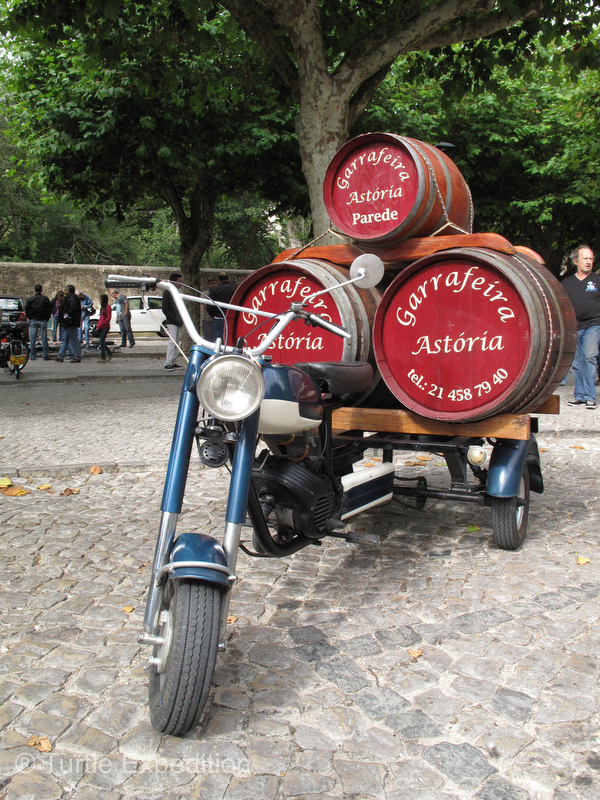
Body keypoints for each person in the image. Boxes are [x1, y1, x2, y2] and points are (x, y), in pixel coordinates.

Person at [562, 245, 600, 408]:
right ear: (576, 261)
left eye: (591, 258)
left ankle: (590, 396)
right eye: (585, 258)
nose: (589, 262)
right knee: (577, 363)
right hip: (574, 326)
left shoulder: (598, 280)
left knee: (589, 356)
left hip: (593, 324)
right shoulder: (567, 283)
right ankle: (580, 396)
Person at [161, 272, 184, 370]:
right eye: (179, 281)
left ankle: (173, 361)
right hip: (172, 321)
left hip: (178, 320)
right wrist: (173, 318)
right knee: (173, 341)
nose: (181, 283)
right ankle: (168, 362)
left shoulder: (176, 292)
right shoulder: (167, 292)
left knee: (177, 341)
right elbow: (165, 308)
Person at [55, 285, 82, 362]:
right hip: (68, 322)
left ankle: (77, 356)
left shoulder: (72, 298)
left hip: (71, 322)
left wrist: (68, 314)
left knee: (73, 339)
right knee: (65, 339)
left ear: (68, 290)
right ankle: (60, 356)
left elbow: (73, 308)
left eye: (66, 289)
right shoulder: (69, 298)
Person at [25, 284, 52, 361]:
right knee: (44, 338)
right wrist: (47, 318)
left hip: (34, 319)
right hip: (43, 319)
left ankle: (33, 355)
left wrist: (30, 317)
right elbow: (49, 309)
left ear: (35, 290)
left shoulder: (30, 299)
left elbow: (27, 309)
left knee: (32, 339)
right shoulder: (45, 299)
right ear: (41, 290)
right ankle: (45, 355)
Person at [208, 272, 236, 342]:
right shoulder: (235, 289)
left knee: (218, 340)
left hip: (218, 317)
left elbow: (209, 306)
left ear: (219, 280)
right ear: (228, 278)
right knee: (231, 340)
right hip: (232, 318)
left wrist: (214, 315)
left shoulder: (214, 290)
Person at [96, 294, 115, 363]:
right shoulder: (102, 308)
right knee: (102, 341)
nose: (100, 300)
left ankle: (103, 357)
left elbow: (108, 318)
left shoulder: (108, 307)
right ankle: (109, 353)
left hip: (105, 326)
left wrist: (102, 324)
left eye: (101, 299)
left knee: (102, 341)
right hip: (101, 326)